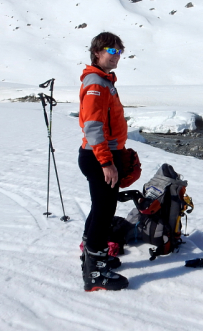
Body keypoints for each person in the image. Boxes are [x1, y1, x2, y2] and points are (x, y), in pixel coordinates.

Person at [78, 32, 129, 291]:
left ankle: (91, 255)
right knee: (104, 210)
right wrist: (107, 162)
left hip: (103, 154)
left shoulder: (105, 81)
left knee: (101, 208)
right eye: (112, 50)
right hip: (99, 157)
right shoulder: (97, 82)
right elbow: (94, 126)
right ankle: (95, 274)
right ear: (97, 51)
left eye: (120, 51)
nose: (117, 55)